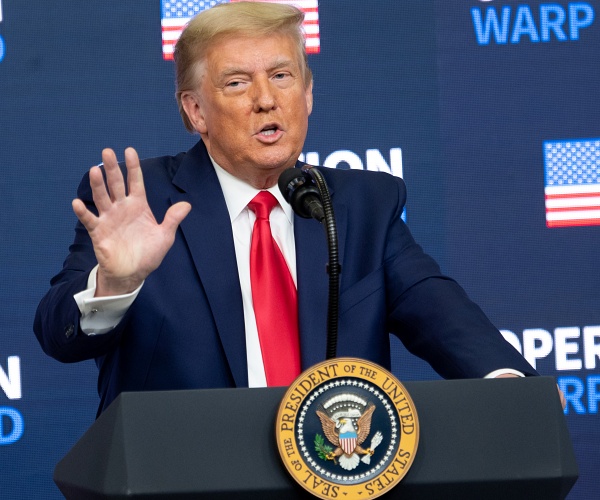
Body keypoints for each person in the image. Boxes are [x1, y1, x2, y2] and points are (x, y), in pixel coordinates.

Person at [34, 2, 542, 416]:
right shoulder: (145, 204)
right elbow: (59, 333)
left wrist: (507, 384)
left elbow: (436, 309)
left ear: (308, 93)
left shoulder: (362, 205)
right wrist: (117, 282)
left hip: (334, 473)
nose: (265, 99)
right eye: (236, 83)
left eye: (282, 76)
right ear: (194, 111)